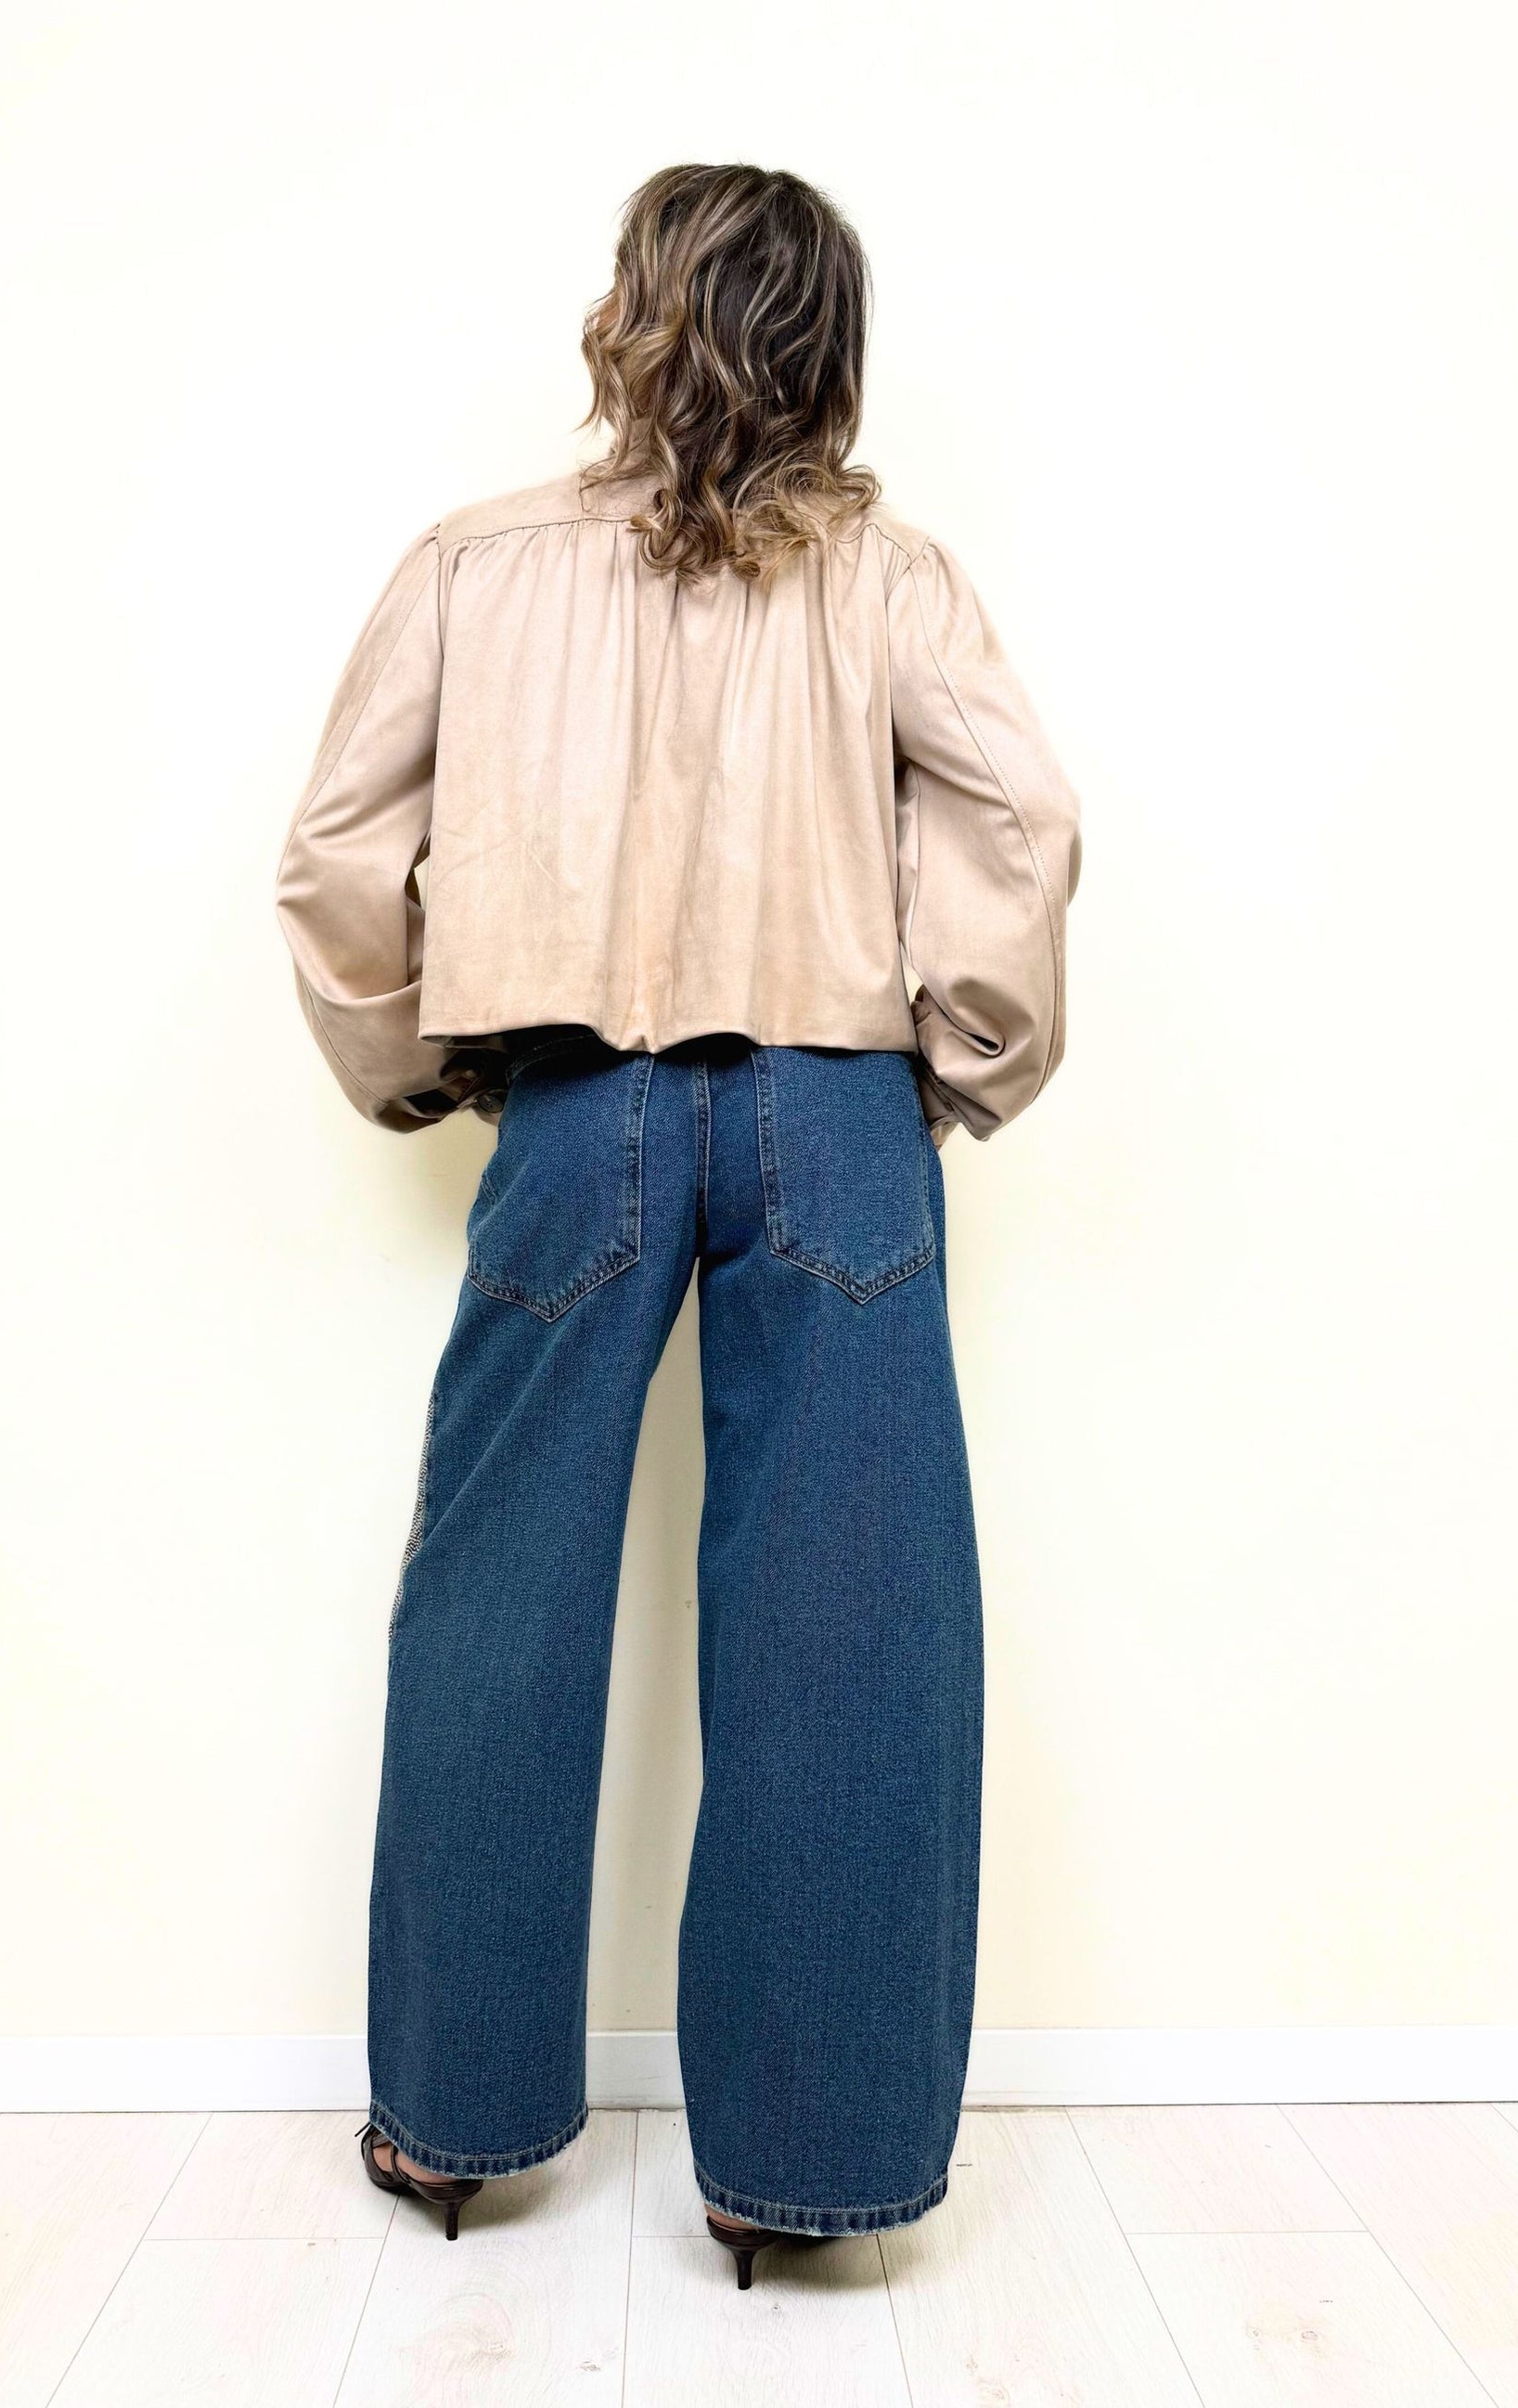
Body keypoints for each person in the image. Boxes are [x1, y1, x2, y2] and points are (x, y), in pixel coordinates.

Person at [275, 161, 1082, 2287]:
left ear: (628, 316)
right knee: (851, 1625)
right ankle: (799, 2172)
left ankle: (451, 2121)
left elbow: (338, 851)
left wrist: (421, 1059)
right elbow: (1017, 816)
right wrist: (961, 1055)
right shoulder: (890, 579)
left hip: (574, 1105)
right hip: (837, 1113)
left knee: (498, 1598)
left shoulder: (477, 565)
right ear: (834, 348)